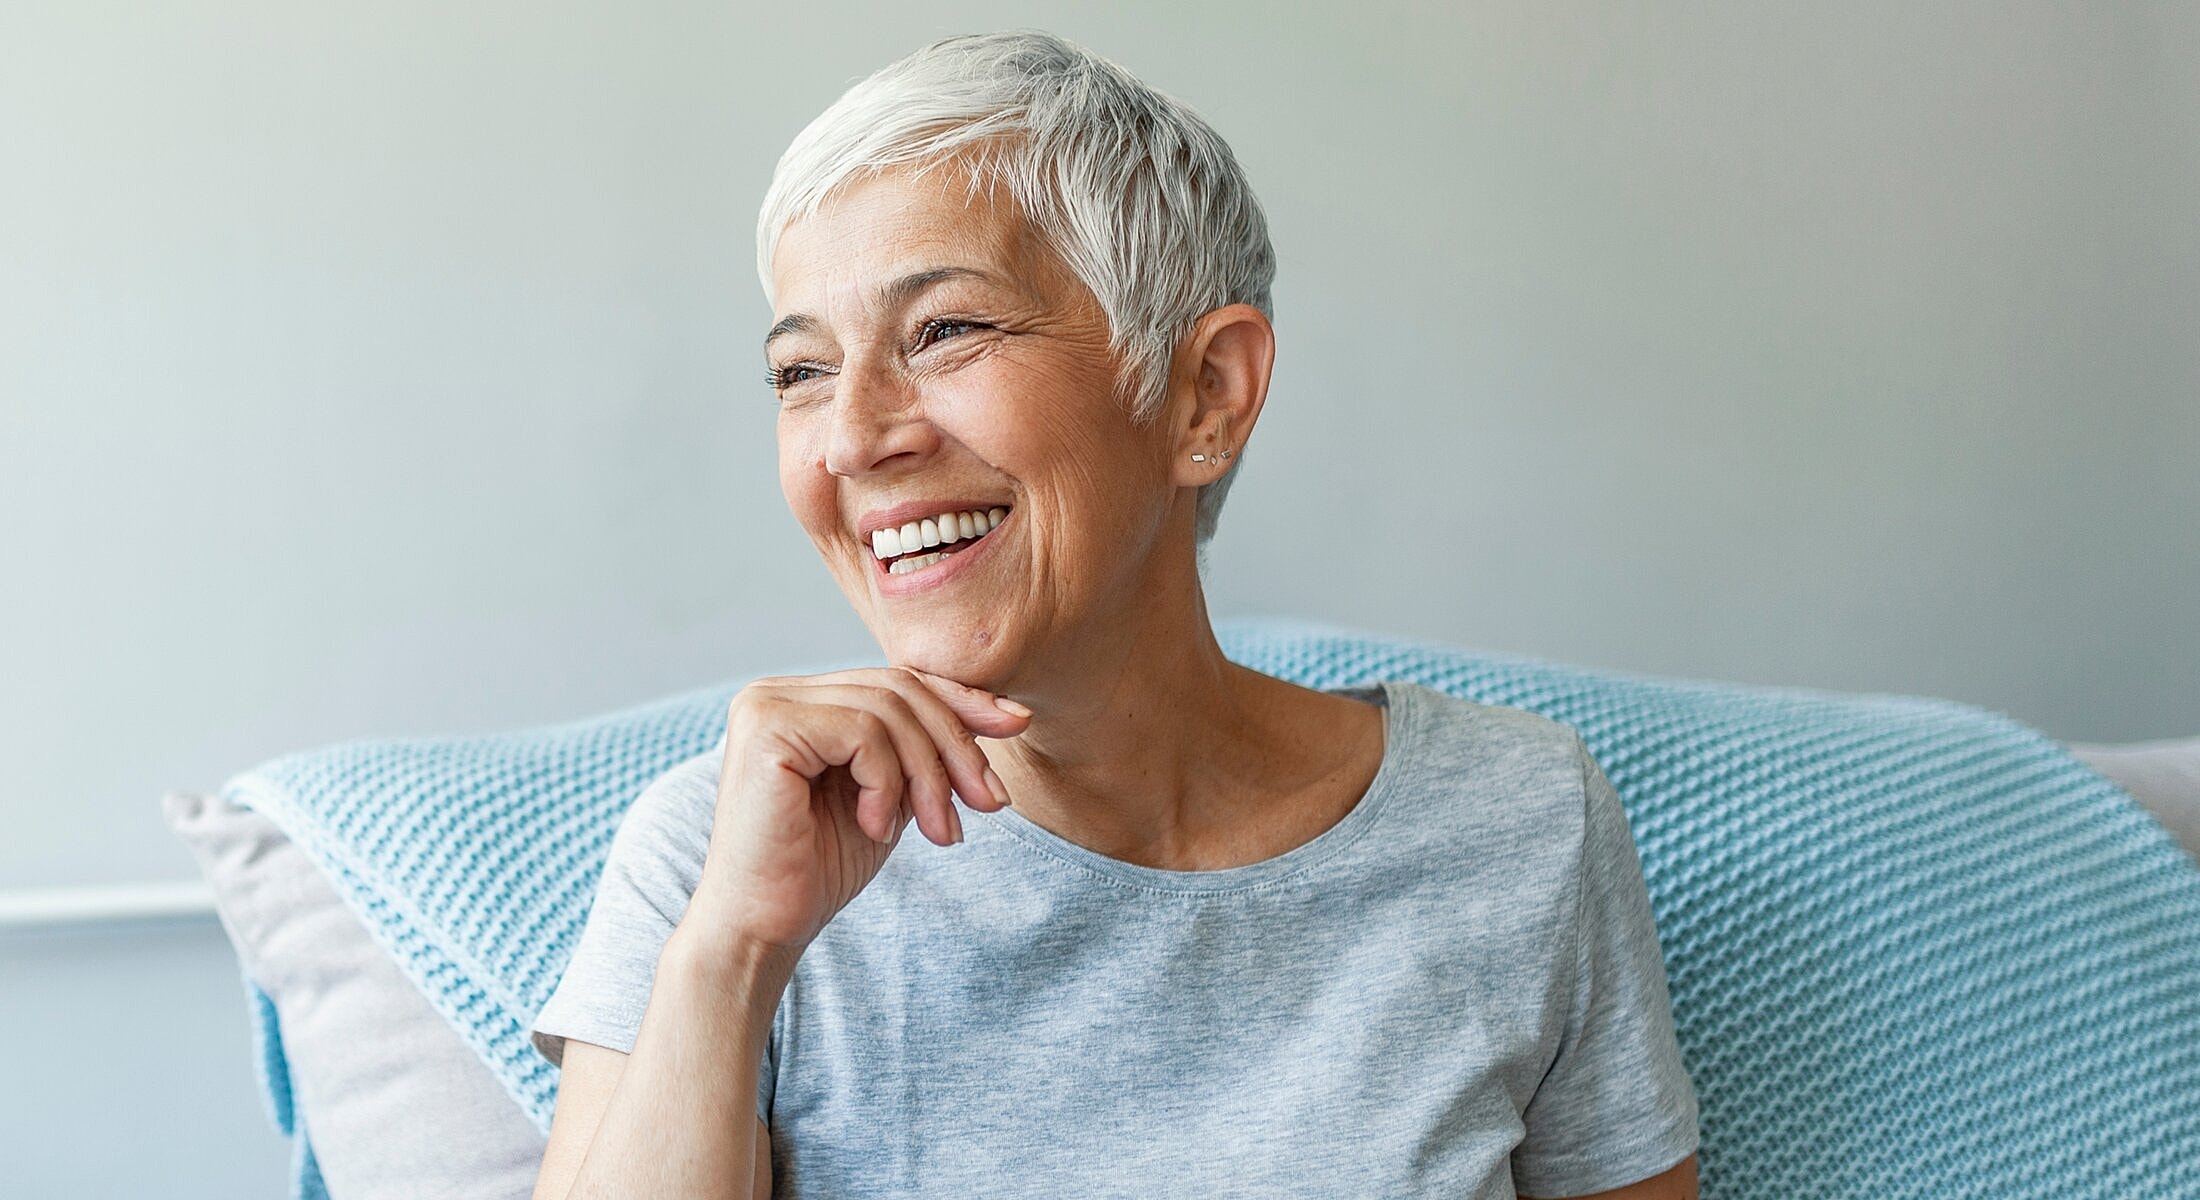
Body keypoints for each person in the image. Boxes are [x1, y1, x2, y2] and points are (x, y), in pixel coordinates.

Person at [529, 29, 1698, 1200]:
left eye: (942, 330)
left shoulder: (1521, 823)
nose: (850, 437)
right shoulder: (714, 859)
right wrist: (731, 959)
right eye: (801, 372)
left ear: (1206, 395)